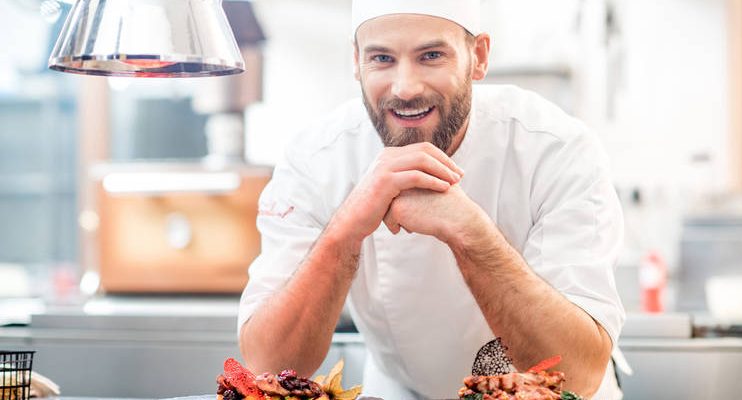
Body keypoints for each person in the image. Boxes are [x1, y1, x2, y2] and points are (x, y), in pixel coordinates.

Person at [238, 1, 625, 399]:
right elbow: (267, 364)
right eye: (382, 58)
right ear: (356, 62)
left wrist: (471, 234)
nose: (405, 87)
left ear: (478, 57)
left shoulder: (555, 149)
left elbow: (578, 375)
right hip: (403, 392)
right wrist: (346, 228)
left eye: (432, 56)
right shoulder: (317, 160)